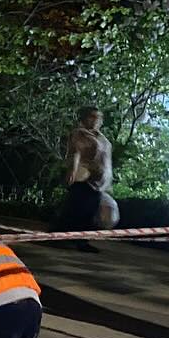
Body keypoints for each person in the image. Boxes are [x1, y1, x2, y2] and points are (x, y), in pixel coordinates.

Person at [54, 105, 113, 250]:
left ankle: (80, 240)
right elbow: (76, 152)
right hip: (84, 179)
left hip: (99, 183)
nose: (95, 120)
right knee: (76, 209)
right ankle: (59, 237)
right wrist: (72, 170)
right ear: (85, 118)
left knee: (89, 212)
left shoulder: (102, 139)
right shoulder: (80, 134)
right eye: (92, 116)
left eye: (98, 117)